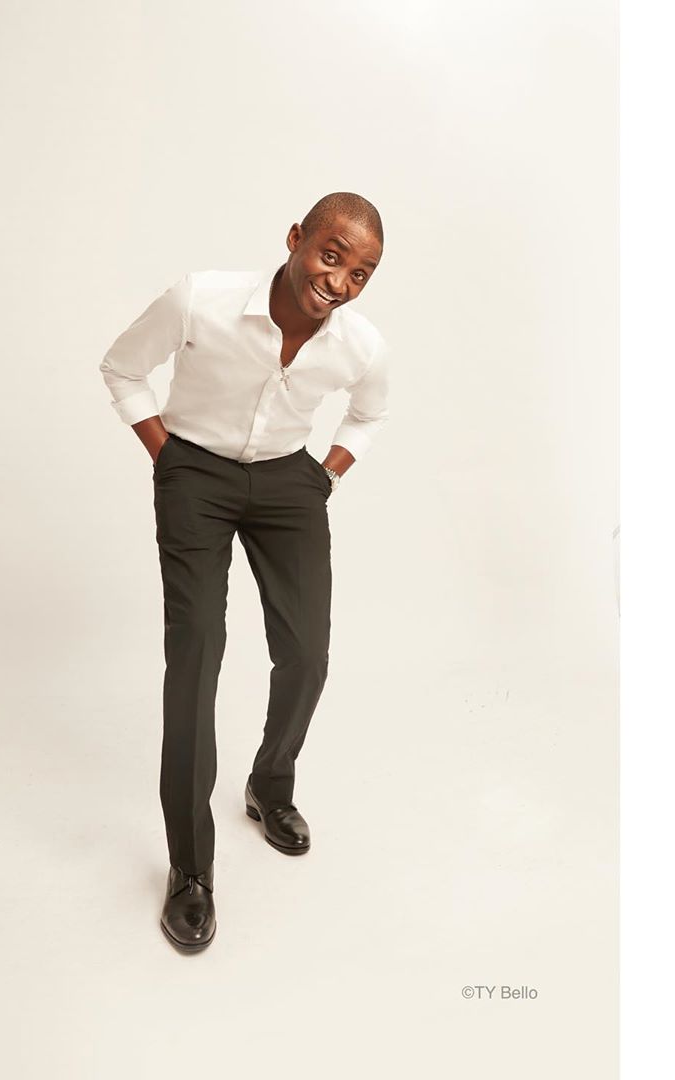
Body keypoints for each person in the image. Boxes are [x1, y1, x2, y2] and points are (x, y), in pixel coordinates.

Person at [99, 192, 390, 952]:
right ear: (295, 239)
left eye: (360, 273)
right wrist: (168, 457)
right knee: (197, 652)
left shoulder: (360, 345)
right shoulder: (201, 300)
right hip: (195, 472)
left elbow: (369, 412)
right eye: (330, 255)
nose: (339, 281)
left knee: (307, 652)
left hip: (289, 482)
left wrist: (325, 474)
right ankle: (191, 868)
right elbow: (122, 368)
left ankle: (270, 784)